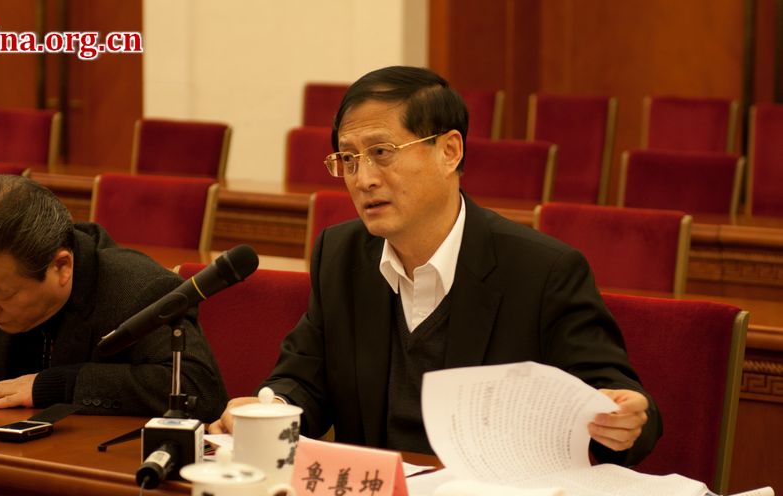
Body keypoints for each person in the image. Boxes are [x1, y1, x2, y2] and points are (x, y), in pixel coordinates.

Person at [211, 65, 662, 465]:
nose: (363, 178)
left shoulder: (543, 271)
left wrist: (622, 420)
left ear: (449, 151)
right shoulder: (341, 253)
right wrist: (269, 407)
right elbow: (303, 379)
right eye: (348, 158)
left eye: (382, 152)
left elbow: (618, 401)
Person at [0, 175, 227, 421]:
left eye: (2, 293)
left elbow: (198, 388)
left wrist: (54, 386)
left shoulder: (140, 289)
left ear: (62, 266)